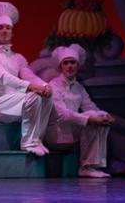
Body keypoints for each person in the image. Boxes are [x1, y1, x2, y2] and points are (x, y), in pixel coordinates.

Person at [0, 2, 53, 156]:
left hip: (16, 100)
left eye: (8, 28)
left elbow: (29, 75)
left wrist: (45, 86)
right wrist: (33, 87)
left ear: (12, 32)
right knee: (33, 96)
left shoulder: (17, 57)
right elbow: (5, 78)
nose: (5, 31)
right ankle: (28, 142)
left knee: (46, 96)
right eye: (1, 28)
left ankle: (37, 138)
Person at [44, 44, 115, 178]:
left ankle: (91, 166)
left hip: (72, 131)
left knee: (99, 115)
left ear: (78, 66)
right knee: (92, 117)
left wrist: (106, 116)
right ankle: (86, 166)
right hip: (55, 133)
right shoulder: (53, 86)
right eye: (66, 63)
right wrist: (89, 119)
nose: (70, 66)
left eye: (73, 62)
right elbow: (63, 114)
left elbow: (91, 107)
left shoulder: (79, 88)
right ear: (61, 66)